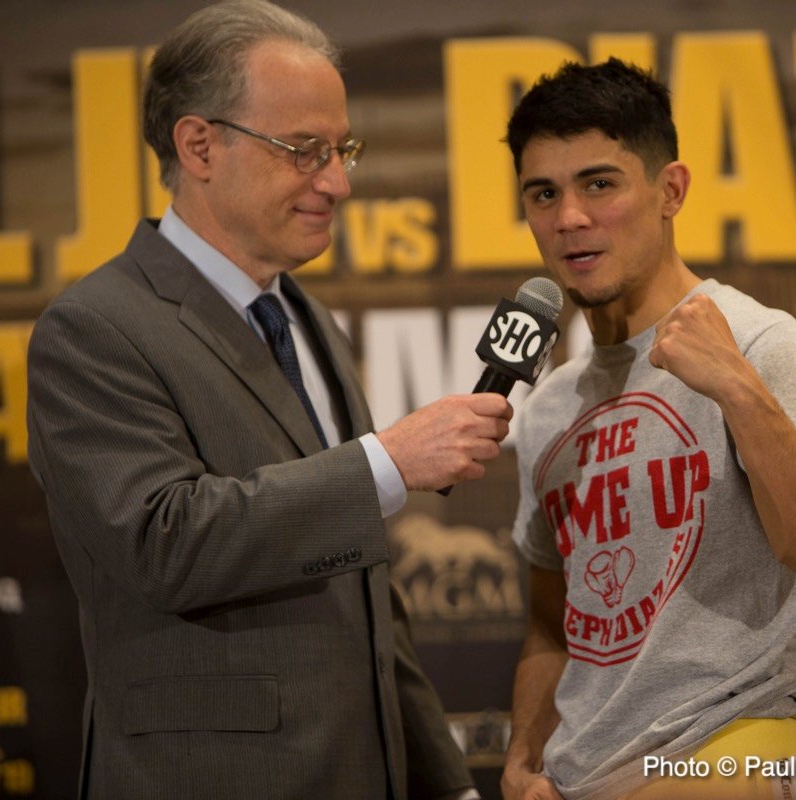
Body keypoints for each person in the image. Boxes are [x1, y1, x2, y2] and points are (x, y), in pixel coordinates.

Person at [25, 2, 508, 798]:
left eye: (343, 149)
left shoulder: (306, 317)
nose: (339, 182)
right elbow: (162, 542)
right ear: (200, 145)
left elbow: (365, 589)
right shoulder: (94, 328)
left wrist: (443, 778)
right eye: (304, 150)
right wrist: (385, 462)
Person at [500, 58, 796, 800]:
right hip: (584, 777)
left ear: (671, 190)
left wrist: (735, 386)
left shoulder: (759, 342)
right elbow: (552, 625)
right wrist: (524, 757)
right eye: (544, 193)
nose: (570, 217)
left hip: (726, 752)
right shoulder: (547, 406)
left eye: (599, 183)